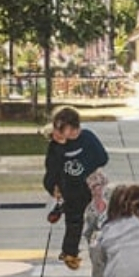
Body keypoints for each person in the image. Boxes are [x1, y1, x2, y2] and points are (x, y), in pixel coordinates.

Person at [43, 107, 109, 268]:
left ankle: (104, 248)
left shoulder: (87, 138)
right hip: (70, 189)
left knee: (99, 218)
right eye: (57, 129)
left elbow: (102, 157)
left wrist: (85, 169)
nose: (59, 132)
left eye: (62, 129)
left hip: (90, 185)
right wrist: (53, 188)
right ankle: (70, 252)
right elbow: (51, 168)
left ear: (74, 128)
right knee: (73, 221)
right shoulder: (57, 145)